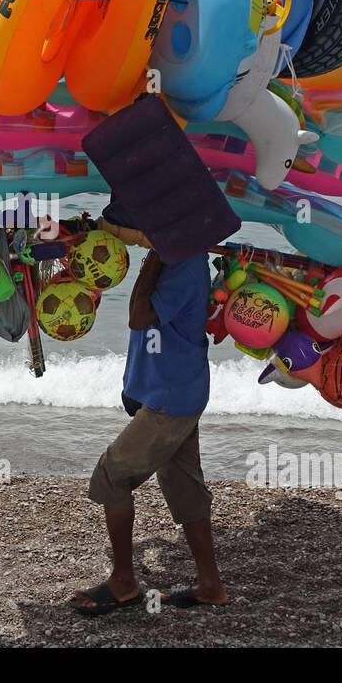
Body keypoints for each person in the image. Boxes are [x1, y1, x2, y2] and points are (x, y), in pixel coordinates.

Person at [72, 246, 226, 616]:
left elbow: (139, 317)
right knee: (184, 485)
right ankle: (210, 586)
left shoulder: (182, 267)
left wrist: (153, 262)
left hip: (169, 401)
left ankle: (124, 582)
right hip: (176, 392)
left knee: (111, 477)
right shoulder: (181, 261)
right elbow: (156, 334)